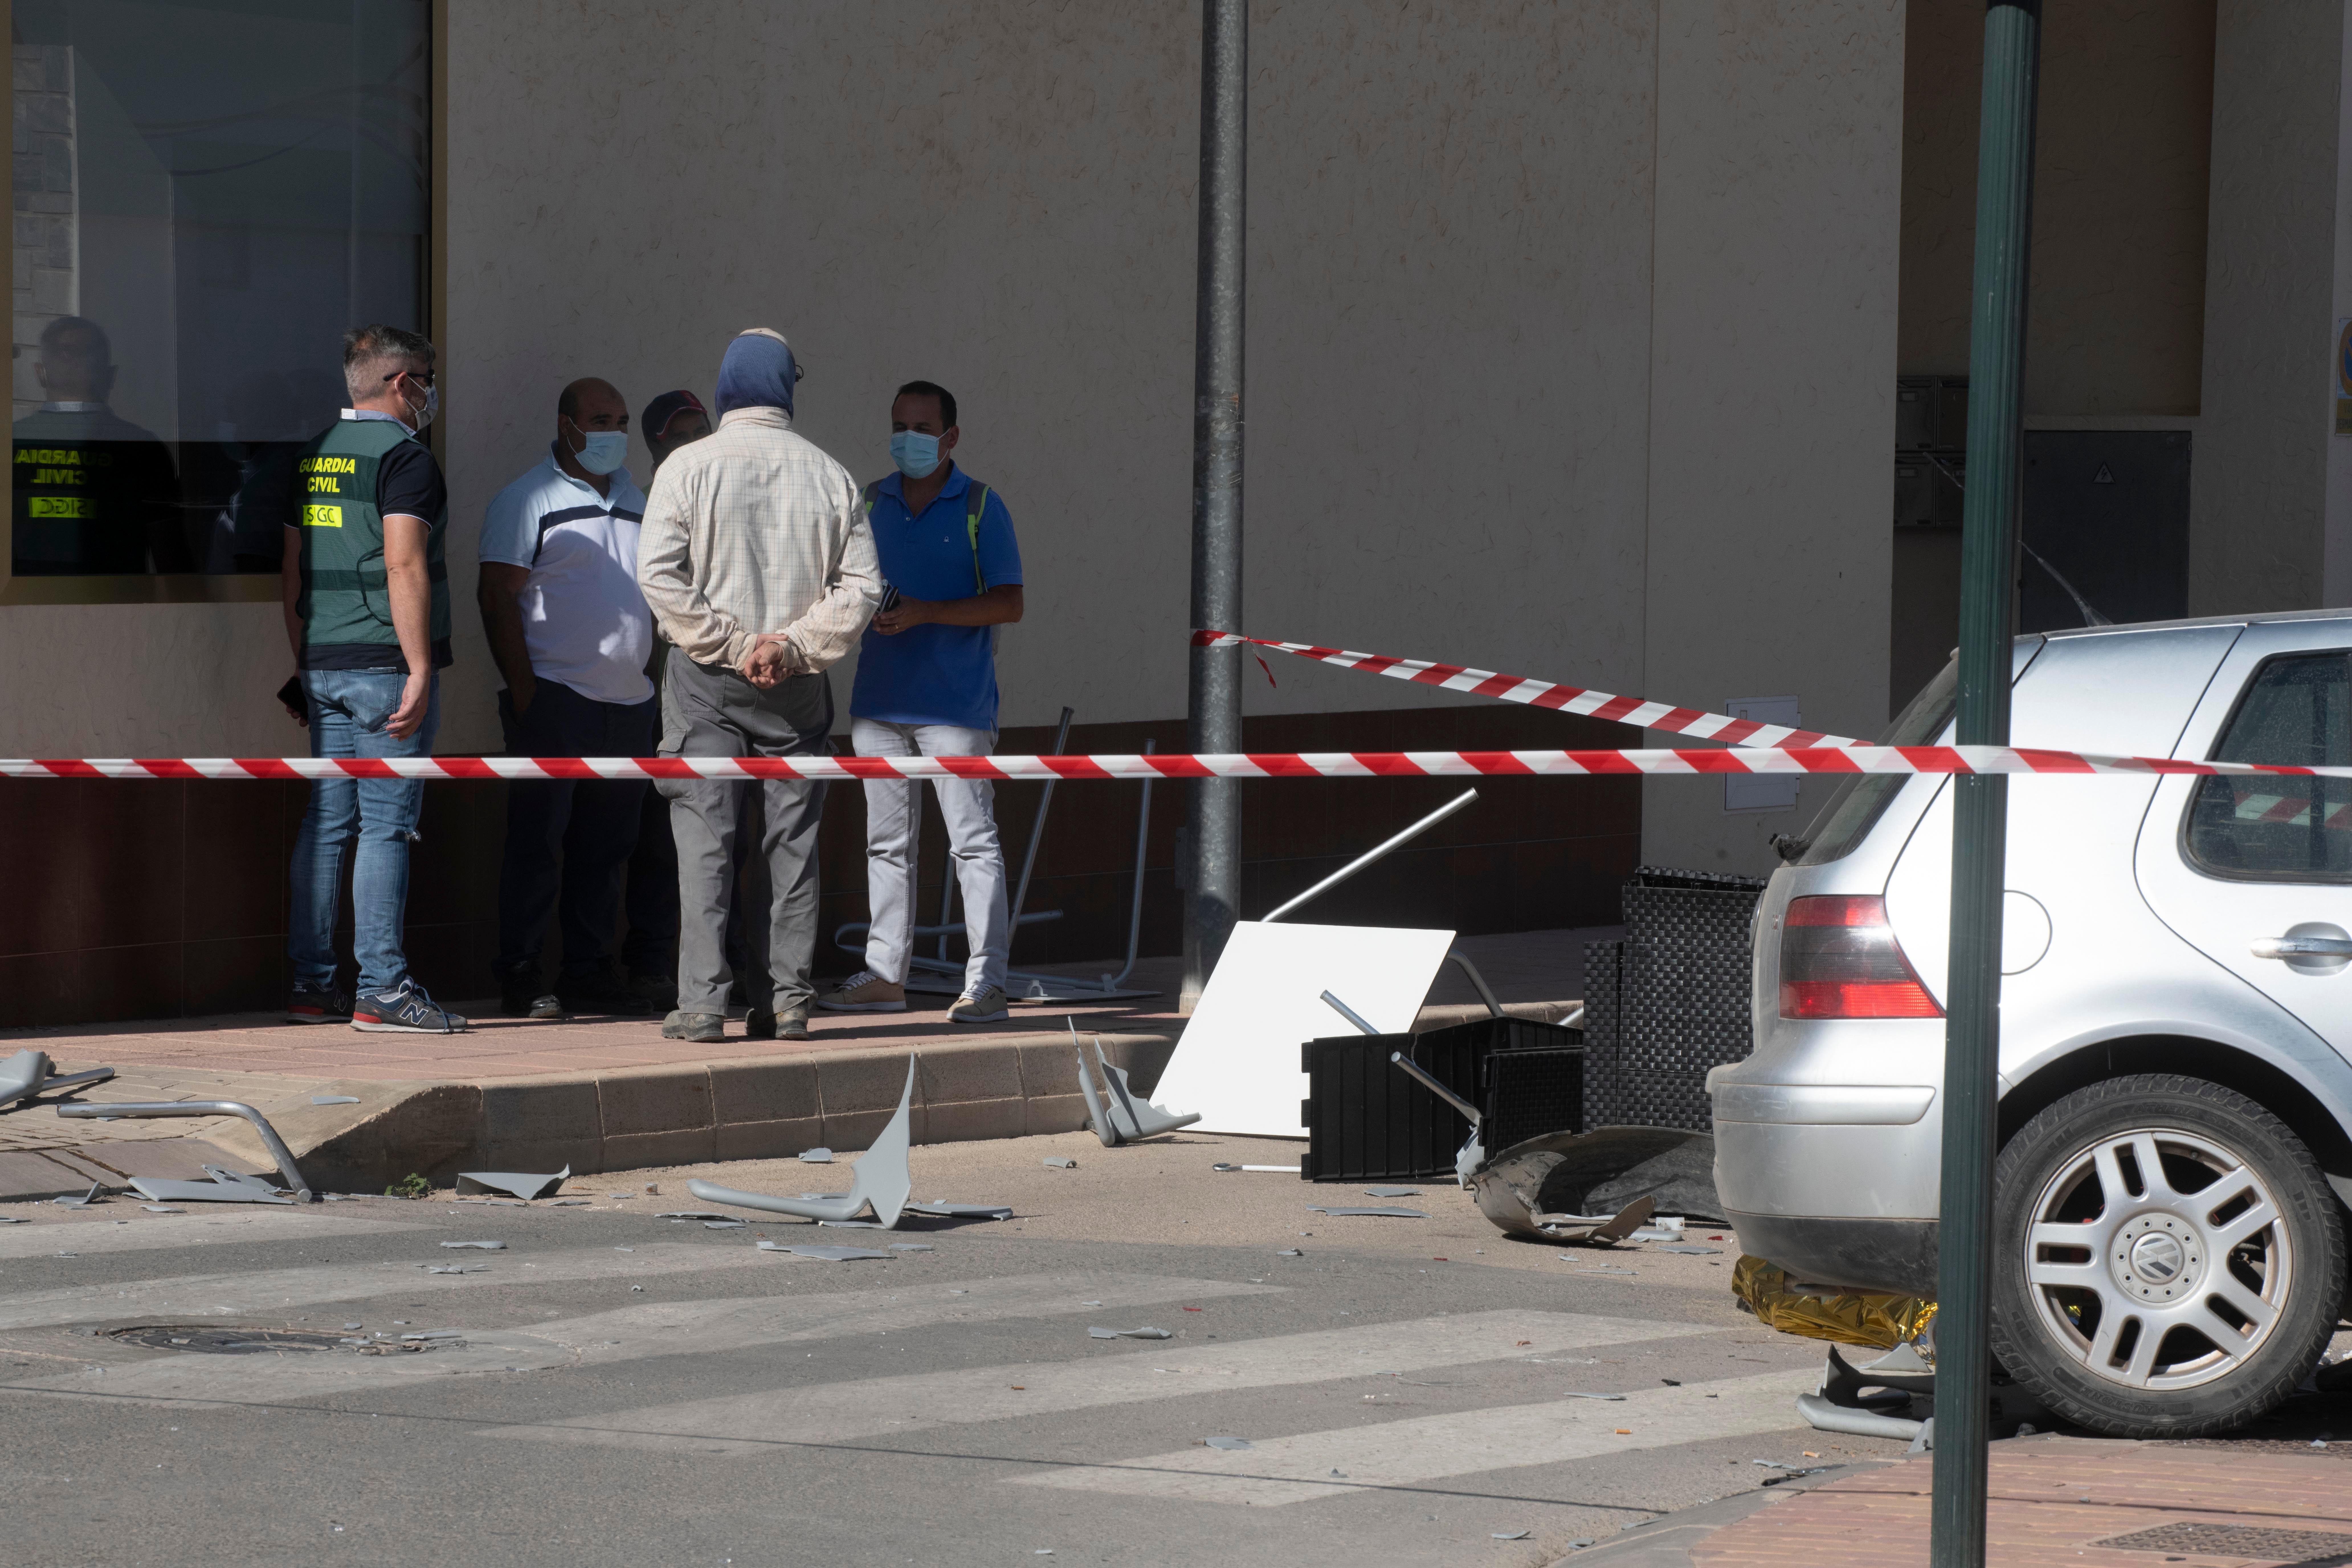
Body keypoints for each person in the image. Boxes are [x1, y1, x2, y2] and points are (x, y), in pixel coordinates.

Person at [636, 330, 880, 1042]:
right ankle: (788, 1002)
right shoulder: (830, 473)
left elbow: (658, 574)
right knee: (791, 847)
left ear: (725, 388)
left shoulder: (686, 466)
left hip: (705, 681)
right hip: (797, 688)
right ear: (785, 388)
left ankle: (702, 1005)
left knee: (705, 844)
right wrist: (790, 646)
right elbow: (864, 587)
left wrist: (734, 645)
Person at [818, 381, 1024, 1024]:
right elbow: (842, 585)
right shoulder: (869, 501)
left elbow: (1010, 603)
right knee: (886, 846)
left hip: (955, 709)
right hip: (878, 703)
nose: (907, 439)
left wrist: (925, 613)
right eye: (899, 425)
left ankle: (987, 983)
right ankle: (886, 976)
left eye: (922, 428)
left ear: (950, 437)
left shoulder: (982, 506)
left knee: (973, 844)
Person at [280, 323, 465, 1033]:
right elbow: (403, 563)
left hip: (324, 662)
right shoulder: (405, 459)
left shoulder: (311, 457)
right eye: (428, 378)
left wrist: (304, 662)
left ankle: (312, 984)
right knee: (387, 825)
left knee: (328, 823)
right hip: (385, 666)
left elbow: (294, 572)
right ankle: (382, 988)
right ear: (402, 383)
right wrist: (419, 667)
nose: (432, 392)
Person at [478, 377, 657, 1019]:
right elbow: (497, 595)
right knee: (537, 845)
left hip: (629, 705)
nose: (615, 432)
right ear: (567, 425)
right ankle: (521, 973)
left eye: (622, 421)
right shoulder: (528, 498)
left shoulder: (639, 500)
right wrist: (529, 695)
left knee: (606, 849)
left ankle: (587, 970)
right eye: (601, 420)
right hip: (556, 701)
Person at [615, 387, 712, 1010]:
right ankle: (650, 963)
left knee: (726, 834)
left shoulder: (729, 492)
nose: (696, 444)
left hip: (724, 690)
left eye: (703, 431)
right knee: (655, 839)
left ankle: (730, 965)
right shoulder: (643, 506)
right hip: (654, 693)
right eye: (681, 435)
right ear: (655, 446)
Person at [11, 315, 186, 575]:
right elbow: (172, 557)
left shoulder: (9, 442)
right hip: (115, 596)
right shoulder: (143, 447)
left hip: (24, 596)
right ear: (111, 376)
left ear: (40, 373)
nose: (72, 359)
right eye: (66, 353)